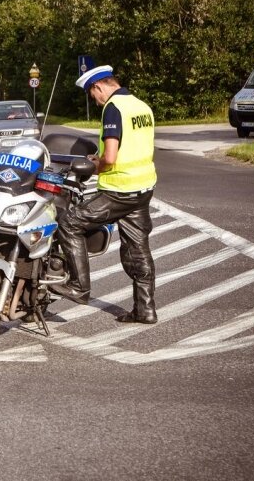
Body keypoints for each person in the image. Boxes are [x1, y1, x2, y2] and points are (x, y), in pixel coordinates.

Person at [49, 65, 158, 324]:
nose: (95, 101)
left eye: (92, 95)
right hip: (143, 188)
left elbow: (110, 158)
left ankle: (78, 287)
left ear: (99, 87)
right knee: (138, 250)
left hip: (120, 190)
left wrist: (94, 165)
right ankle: (145, 309)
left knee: (69, 222)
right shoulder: (141, 106)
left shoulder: (113, 108)